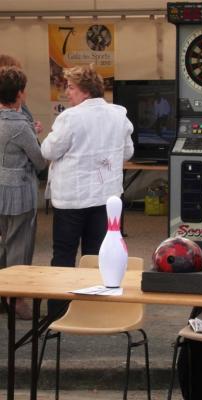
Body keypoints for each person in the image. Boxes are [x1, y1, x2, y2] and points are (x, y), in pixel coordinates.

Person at [41, 64, 133, 317]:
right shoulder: (119, 115)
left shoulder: (69, 118)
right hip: (106, 195)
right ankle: (93, 308)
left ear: (84, 90)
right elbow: (128, 152)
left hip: (72, 197)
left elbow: (48, 151)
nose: (67, 93)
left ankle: (58, 310)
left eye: (70, 88)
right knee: (96, 254)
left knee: (64, 254)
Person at [0, 66, 47, 319]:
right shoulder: (19, 126)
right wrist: (34, 136)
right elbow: (39, 160)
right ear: (19, 94)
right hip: (17, 192)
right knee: (20, 245)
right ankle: (16, 299)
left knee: (4, 243)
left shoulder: (17, 124)